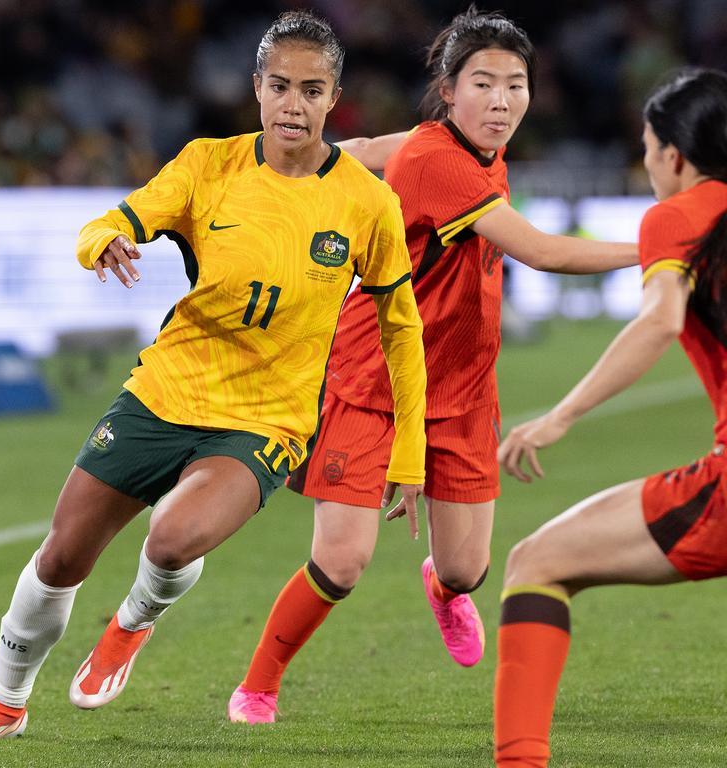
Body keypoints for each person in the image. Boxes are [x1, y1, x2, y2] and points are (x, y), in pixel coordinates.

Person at [0, 10, 428, 742]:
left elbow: (402, 328)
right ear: (257, 87)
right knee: (62, 554)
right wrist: (101, 240)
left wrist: (412, 452)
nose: (294, 105)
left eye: (312, 90)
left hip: (267, 419)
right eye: (280, 86)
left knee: (171, 538)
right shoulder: (209, 165)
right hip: (165, 391)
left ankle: (132, 621)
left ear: (334, 98)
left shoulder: (366, 201)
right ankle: (6, 701)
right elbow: (114, 220)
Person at [228, 6, 639, 725]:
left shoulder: (453, 145)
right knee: (343, 561)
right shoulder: (442, 162)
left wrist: (312, 170)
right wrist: (658, 247)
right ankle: (258, 685)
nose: (502, 100)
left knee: (466, 568)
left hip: (463, 386)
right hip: (373, 379)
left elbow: (361, 147)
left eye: (516, 84)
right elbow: (543, 251)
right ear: (449, 89)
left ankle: (444, 592)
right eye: (483, 83)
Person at [493, 67, 727, 768]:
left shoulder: (679, 215)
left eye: (650, 150)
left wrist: (559, 416)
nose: (648, 164)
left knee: (536, 562)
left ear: (675, 157)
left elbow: (659, 322)